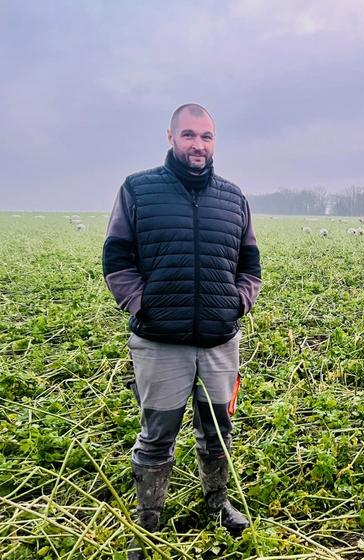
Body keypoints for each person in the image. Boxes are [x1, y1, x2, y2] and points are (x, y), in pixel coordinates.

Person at [102, 103, 261, 558]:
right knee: (157, 436)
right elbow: (116, 259)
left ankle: (217, 506)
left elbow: (250, 265)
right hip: (159, 343)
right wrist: (141, 303)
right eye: (189, 135)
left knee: (217, 432)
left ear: (215, 142)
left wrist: (237, 302)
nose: (198, 144)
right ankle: (147, 524)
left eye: (206, 137)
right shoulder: (139, 190)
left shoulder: (233, 199)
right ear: (170, 137)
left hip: (218, 341)